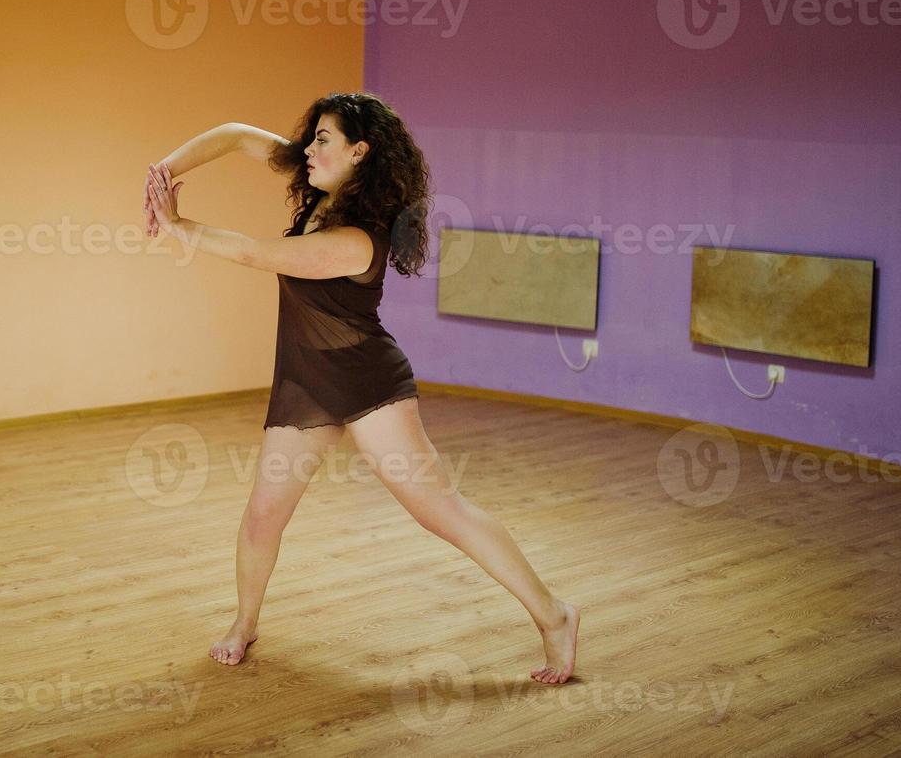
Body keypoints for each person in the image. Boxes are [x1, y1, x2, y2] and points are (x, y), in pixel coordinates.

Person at [142, 92, 579, 684]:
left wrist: (175, 224)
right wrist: (164, 172)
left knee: (439, 511)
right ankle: (245, 623)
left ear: (359, 151)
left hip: (369, 385)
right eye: (313, 135)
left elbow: (254, 252)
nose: (309, 148)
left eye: (324, 138)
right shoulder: (318, 183)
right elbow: (237, 133)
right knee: (261, 517)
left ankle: (555, 616)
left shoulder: (358, 238)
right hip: (307, 383)